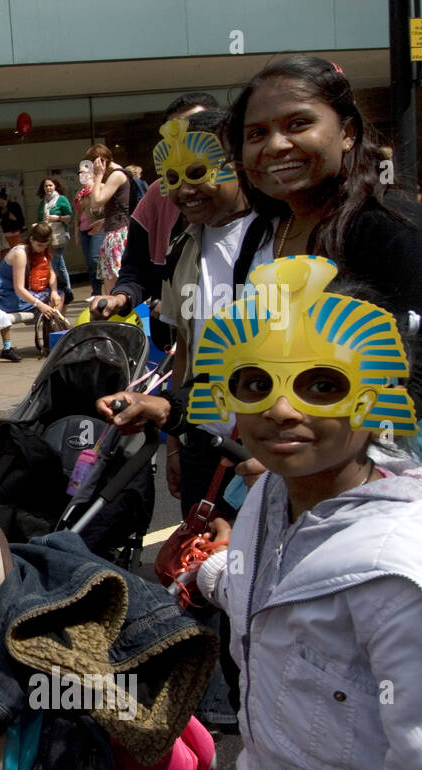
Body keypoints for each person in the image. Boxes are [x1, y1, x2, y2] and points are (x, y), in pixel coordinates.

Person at [99, 256, 422, 770]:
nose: (283, 411)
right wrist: (205, 575)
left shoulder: (403, 578)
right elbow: (273, 589)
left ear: (378, 394)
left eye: (323, 385)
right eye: (256, 383)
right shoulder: (269, 498)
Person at [223, 54, 422, 416]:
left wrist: (333, 438)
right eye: (257, 133)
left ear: (348, 133)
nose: (276, 145)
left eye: (298, 124)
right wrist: (172, 404)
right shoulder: (262, 231)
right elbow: (245, 350)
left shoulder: (388, 223)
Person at [153, 110, 274, 517]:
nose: (185, 190)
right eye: (173, 178)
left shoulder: (282, 235)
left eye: (198, 172)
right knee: (201, 564)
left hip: (270, 433)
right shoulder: (183, 246)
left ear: (235, 164)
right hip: (203, 437)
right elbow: (184, 350)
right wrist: (175, 443)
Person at [90, 92, 219, 320]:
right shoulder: (156, 196)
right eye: (175, 136)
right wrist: (121, 296)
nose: (187, 190)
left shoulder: (259, 208)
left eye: (197, 131)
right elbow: (137, 269)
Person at [0, 222, 66, 357]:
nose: (41, 248)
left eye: (45, 245)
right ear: (31, 240)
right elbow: (19, 288)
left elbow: (51, 272)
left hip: (22, 292)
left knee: (60, 294)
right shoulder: (20, 253)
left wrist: (54, 291)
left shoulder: (41, 250)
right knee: (48, 304)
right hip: (8, 296)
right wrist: (40, 305)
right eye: (39, 245)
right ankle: (52, 339)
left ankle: (53, 337)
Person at [85, 146, 131, 295]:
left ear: (101, 162)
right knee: (115, 287)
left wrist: (97, 177)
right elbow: (122, 207)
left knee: (116, 289)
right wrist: (105, 221)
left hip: (118, 235)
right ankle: (139, 316)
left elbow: (96, 202)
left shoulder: (117, 175)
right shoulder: (121, 174)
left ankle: (141, 317)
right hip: (116, 231)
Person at [35, 178, 73, 301]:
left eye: (50, 185)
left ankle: (58, 290)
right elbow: (40, 219)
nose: (48, 188)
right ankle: (67, 290)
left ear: (55, 186)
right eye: (46, 186)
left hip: (60, 236)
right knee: (60, 264)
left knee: (53, 263)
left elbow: (69, 217)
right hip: (48, 236)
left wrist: (57, 218)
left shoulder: (61, 199)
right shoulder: (43, 203)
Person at [75, 160, 104, 289]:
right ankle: (96, 292)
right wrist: (76, 235)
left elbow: (105, 207)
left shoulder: (99, 187)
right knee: (90, 263)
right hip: (83, 230)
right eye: (79, 173)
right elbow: (78, 216)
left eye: (84, 173)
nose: (81, 176)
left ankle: (107, 282)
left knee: (95, 259)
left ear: (92, 174)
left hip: (98, 227)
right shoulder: (79, 194)